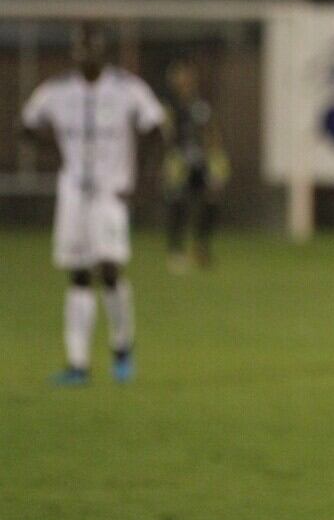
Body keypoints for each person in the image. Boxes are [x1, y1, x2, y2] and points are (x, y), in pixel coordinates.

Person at [21, 24, 165, 386]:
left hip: (110, 192)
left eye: (93, 47)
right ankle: (78, 363)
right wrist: (55, 152)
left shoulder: (127, 88)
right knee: (79, 274)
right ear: (74, 51)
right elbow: (25, 126)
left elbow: (157, 130)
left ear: (104, 51)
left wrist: (144, 181)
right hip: (73, 193)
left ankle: (121, 347)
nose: (86, 54)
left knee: (110, 269)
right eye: (81, 48)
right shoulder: (57, 91)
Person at [161, 58, 229, 272]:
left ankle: (201, 247)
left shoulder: (200, 105)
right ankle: (176, 251)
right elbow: (164, 135)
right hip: (178, 162)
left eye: (186, 75)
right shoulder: (169, 107)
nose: (183, 80)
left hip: (201, 162)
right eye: (178, 76)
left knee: (210, 201)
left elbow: (212, 132)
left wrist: (216, 159)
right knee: (178, 204)